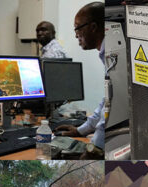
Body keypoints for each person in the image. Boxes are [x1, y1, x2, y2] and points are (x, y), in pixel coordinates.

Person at [56, 2, 104, 156]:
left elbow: (115, 104)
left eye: (77, 28)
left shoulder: (113, 54)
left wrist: (96, 147)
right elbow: (107, 102)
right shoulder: (106, 53)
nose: (76, 34)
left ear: (93, 27)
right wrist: (80, 130)